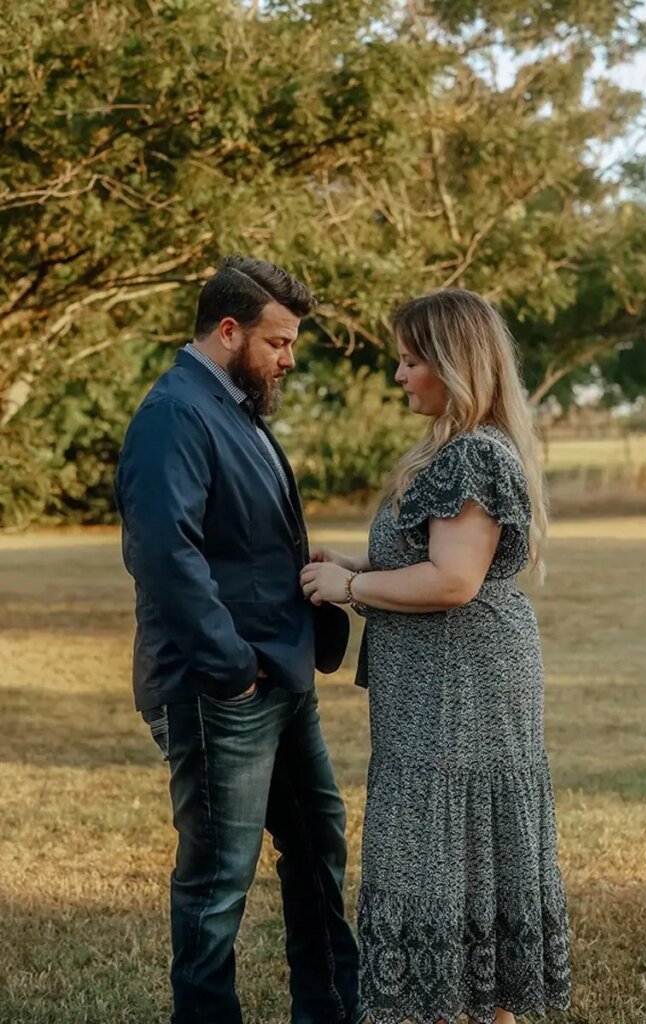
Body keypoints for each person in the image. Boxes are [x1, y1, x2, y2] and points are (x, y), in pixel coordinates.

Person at [300, 289, 571, 1024]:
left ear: (454, 365)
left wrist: (352, 584)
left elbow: (453, 579)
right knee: (455, 846)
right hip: (438, 679)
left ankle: (473, 1010)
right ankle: (462, 1007)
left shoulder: (474, 455)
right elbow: (427, 557)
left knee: (458, 845)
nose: (399, 375)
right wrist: (353, 563)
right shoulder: (448, 452)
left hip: (466, 684)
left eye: (411, 360)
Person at [115, 255, 366, 1024]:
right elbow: (164, 553)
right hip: (218, 688)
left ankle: (328, 1010)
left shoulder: (230, 405)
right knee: (217, 881)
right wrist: (230, 670)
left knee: (318, 848)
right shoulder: (174, 414)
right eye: (278, 342)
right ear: (229, 331)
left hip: (279, 680)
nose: (288, 359)